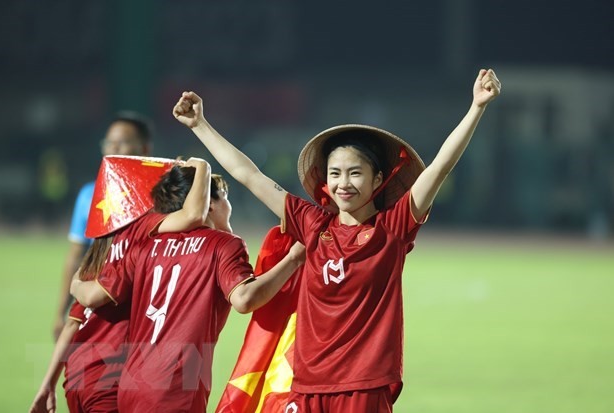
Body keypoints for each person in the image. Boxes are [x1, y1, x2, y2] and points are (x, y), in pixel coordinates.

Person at [173, 68, 501, 412]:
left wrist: (476, 107)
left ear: (378, 180)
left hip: (365, 386)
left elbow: (439, 168)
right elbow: (249, 175)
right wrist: (200, 126)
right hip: (306, 386)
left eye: (355, 173)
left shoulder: (393, 228)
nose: (344, 183)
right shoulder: (312, 224)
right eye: (335, 173)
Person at [69, 163, 305, 412]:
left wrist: (76, 284)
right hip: (178, 388)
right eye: (225, 197)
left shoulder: (145, 245)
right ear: (209, 203)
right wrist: (294, 259)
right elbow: (244, 299)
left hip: (130, 387)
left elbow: (94, 295)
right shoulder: (223, 245)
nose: (229, 206)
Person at [30, 155, 211, 413]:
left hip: (77, 375)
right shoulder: (141, 231)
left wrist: (47, 385)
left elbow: (73, 323)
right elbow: (193, 215)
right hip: (109, 376)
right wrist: (202, 166)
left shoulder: (103, 245)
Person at [53, 112, 154, 340]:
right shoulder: (90, 195)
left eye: (123, 142)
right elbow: (76, 256)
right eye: (109, 142)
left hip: (145, 308)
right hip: (100, 307)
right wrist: (61, 313)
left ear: (145, 148)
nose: (113, 148)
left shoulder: (160, 195)